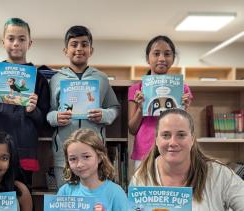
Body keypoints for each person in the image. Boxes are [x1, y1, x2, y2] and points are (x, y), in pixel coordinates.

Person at [47, 25, 120, 188]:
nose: (79, 48)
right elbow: (49, 112)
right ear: (65, 50)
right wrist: (55, 117)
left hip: (94, 153)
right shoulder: (56, 79)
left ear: (91, 50)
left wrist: (104, 115)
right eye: (74, 44)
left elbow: (115, 108)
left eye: (84, 44)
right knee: (67, 201)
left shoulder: (101, 78)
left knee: (94, 199)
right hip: (64, 154)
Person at [131, 109, 244, 210]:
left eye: (181, 135)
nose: (173, 143)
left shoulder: (219, 174)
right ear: (156, 140)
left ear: (192, 140)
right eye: (166, 135)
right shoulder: (141, 177)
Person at [0, 18, 50, 190]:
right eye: (11, 38)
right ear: (3, 42)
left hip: (25, 150)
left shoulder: (39, 79)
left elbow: (44, 121)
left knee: (23, 195)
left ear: (30, 43)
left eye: (22, 39)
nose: (16, 43)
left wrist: (33, 110)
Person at [128, 35, 193, 169]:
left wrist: (185, 109)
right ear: (148, 58)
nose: (162, 58)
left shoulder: (182, 88)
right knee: (144, 189)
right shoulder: (136, 89)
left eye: (167, 54)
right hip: (144, 151)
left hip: (173, 150)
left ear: (173, 58)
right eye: (156, 54)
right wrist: (141, 109)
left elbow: (188, 129)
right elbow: (132, 129)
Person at [57, 128, 128, 211]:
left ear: (99, 157)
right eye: (73, 159)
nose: (79, 164)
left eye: (86, 157)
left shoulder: (115, 193)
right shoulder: (65, 191)